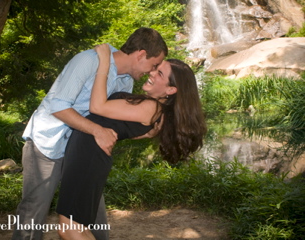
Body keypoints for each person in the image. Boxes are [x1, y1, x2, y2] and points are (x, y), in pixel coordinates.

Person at [12, 28, 168, 240]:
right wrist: (96, 130)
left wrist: (145, 135)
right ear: (140, 54)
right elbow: (58, 107)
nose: (152, 71)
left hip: (82, 148)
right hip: (47, 143)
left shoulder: (126, 81)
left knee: (93, 216)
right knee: (33, 212)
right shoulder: (89, 60)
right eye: (154, 65)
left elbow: (110, 124)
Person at [56, 44, 207, 240]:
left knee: (70, 228)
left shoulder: (151, 108)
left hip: (88, 155)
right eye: (155, 68)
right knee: (76, 227)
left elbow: (97, 107)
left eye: (159, 73)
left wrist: (104, 63)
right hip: (88, 152)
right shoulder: (155, 109)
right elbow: (120, 126)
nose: (152, 73)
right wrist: (142, 135)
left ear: (170, 89)